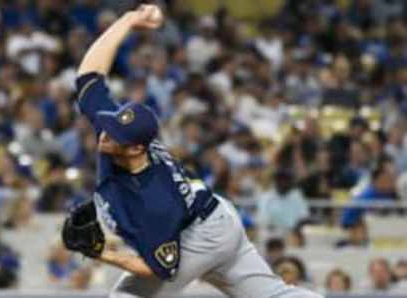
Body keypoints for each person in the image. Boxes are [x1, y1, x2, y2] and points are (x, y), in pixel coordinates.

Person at [71, 4, 323, 298]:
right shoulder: (122, 134)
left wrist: (101, 253)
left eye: (116, 136)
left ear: (137, 148)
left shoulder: (155, 199)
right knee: (271, 294)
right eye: (109, 127)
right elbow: (89, 74)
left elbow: (161, 268)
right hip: (215, 216)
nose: (104, 136)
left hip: (197, 236)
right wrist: (128, 20)